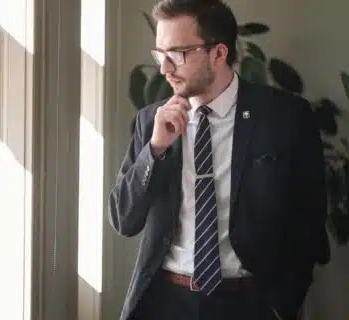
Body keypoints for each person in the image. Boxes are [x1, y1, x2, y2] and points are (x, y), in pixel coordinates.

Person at [108, 0, 330, 319]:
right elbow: (124, 220)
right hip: (167, 302)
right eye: (160, 54)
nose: (164, 68)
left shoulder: (286, 117)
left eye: (177, 54)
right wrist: (155, 149)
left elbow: (309, 218)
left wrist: (286, 300)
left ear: (218, 53)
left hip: (252, 304)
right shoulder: (151, 121)